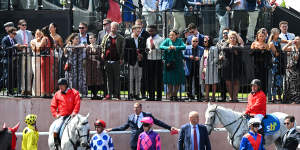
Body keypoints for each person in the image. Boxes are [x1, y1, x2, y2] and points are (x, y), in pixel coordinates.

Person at [106, 102, 177, 150]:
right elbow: (123, 127)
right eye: (134, 108)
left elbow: (158, 122)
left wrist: (169, 128)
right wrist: (112, 129)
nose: (135, 109)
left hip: (145, 141)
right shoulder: (130, 117)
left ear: (141, 108)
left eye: (137, 107)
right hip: (134, 142)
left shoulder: (147, 115)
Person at [50, 78, 81, 149]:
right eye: (59, 85)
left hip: (72, 116)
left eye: (62, 85)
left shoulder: (75, 93)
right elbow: (53, 106)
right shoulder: (57, 94)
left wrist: (74, 113)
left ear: (66, 85)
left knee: (81, 127)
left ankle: (82, 143)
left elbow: (77, 104)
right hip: (62, 116)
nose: (60, 87)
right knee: (56, 129)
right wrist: (56, 114)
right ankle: (56, 144)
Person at [101, 22, 125, 100]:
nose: (113, 29)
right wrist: (102, 53)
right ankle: (109, 94)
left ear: (117, 28)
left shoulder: (121, 38)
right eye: (112, 27)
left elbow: (123, 49)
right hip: (108, 60)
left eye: (115, 27)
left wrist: (121, 58)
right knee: (109, 78)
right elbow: (102, 46)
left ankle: (117, 94)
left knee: (117, 78)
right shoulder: (106, 37)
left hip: (116, 60)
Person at [160, 29, 186, 101]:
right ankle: (170, 94)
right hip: (169, 63)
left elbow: (184, 46)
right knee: (170, 79)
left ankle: (175, 94)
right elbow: (161, 46)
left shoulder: (179, 40)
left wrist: (175, 47)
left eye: (172, 35)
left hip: (178, 63)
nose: (171, 36)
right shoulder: (167, 40)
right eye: (170, 35)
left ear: (176, 35)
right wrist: (168, 47)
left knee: (177, 79)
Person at [124, 24, 146, 100]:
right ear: (133, 30)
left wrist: (141, 55)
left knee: (138, 78)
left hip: (139, 62)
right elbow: (126, 51)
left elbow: (143, 49)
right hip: (131, 61)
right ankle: (130, 93)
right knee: (130, 78)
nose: (139, 31)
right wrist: (127, 61)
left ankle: (137, 93)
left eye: (140, 29)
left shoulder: (142, 39)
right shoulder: (128, 39)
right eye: (137, 29)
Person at [221, 31, 243, 102]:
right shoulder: (226, 44)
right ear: (229, 39)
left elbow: (240, 52)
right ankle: (231, 97)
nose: (232, 39)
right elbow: (223, 49)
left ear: (236, 38)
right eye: (231, 38)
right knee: (228, 82)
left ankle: (235, 96)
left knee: (236, 81)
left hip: (237, 65)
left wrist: (234, 48)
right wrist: (230, 48)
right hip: (227, 65)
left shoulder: (239, 45)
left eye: (234, 38)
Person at [15, 19, 33, 96]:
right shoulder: (16, 33)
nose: (24, 26)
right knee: (22, 72)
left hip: (29, 52)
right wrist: (21, 47)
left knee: (29, 72)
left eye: (25, 25)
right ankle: (22, 89)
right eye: (23, 25)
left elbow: (32, 42)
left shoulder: (29, 32)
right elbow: (16, 44)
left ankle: (28, 89)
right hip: (21, 53)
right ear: (19, 25)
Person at [146, 25, 164, 101]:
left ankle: (159, 96)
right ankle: (151, 96)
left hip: (158, 60)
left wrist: (156, 48)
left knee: (158, 79)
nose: (150, 32)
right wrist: (147, 50)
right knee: (150, 79)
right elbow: (148, 48)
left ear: (155, 31)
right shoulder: (148, 39)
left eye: (152, 31)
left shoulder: (160, 39)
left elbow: (162, 50)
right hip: (150, 59)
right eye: (149, 31)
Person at [250, 29, 271, 94]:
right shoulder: (254, 43)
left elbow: (269, 55)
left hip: (263, 65)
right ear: (257, 36)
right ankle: (255, 92)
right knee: (256, 79)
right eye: (260, 36)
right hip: (256, 64)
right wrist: (257, 49)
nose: (261, 37)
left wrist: (264, 50)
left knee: (263, 79)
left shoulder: (266, 44)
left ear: (265, 37)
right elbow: (250, 53)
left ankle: (263, 93)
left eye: (263, 36)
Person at [268, 28, 285, 103]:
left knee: (280, 80)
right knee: (274, 80)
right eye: (277, 33)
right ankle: (273, 97)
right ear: (274, 34)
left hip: (280, 63)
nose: (278, 34)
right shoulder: (271, 43)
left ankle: (279, 97)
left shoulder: (278, 40)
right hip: (275, 63)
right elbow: (276, 54)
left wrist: (289, 41)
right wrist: (283, 50)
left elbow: (284, 41)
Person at [1, 27, 20, 95]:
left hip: (13, 59)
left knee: (12, 75)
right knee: (8, 76)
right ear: (9, 33)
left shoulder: (13, 40)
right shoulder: (5, 39)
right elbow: (5, 49)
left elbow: (15, 49)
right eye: (13, 33)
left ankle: (11, 90)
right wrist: (14, 46)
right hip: (7, 59)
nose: (14, 35)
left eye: (15, 33)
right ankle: (8, 90)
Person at [183, 36, 204, 101]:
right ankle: (190, 96)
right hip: (189, 66)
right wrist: (189, 57)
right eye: (193, 41)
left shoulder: (201, 48)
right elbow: (183, 55)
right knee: (189, 83)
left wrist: (199, 58)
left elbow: (204, 56)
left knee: (197, 82)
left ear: (198, 42)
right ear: (191, 41)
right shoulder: (187, 47)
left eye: (196, 41)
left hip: (197, 66)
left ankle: (199, 96)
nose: (195, 42)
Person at [200, 36, 219, 102]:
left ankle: (213, 97)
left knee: (213, 82)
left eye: (206, 41)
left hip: (212, 68)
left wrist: (210, 64)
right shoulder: (204, 49)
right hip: (204, 68)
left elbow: (216, 58)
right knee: (206, 82)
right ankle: (206, 97)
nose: (204, 42)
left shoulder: (214, 48)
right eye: (204, 41)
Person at [97, 18, 112, 98]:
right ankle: (105, 93)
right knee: (104, 76)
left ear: (110, 24)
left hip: (113, 58)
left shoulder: (115, 32)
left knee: (112, 77)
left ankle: (114, 93)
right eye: (103, 24)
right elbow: (98, 45)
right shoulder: (100, 33)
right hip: (103, 59)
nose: (104, 26)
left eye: (106, 24)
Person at [282, 37, 300, 104]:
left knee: (296, 86)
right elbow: (283, 49)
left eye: (298, 39)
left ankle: (296, 100)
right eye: (295, 39)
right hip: (289, 68)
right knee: (288, 84)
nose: (296, 40)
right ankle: (289, 100)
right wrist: (289, 43)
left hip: (297, 69)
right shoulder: (291, 47)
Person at [86, 33, 104, 99]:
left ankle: (96, 94)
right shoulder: (88, 47)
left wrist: (96, 58)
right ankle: (93, 94)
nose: (90, 39)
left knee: (97, 80)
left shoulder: (99, 47)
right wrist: (95, 59)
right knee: (91, 80)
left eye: (92, 38)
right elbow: (87, 56)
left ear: (95, 39)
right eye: (89, 38)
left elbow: (100, 55)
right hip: (90, 65)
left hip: (97, 66)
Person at [39, 26, 55, 97]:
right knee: (49, 75)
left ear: (43, 32)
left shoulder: (44, 38)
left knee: (44, 76)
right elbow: (53, 47)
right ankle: (49, 92)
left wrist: (39, 40)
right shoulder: (50, 38)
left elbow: (40, 47)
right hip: (50, 57)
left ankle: (45, 92)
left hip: (45, 58)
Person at [216, 28, 230, 102]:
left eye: (226, 33)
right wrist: (218, 57)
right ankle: (223, 96)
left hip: (228, 64)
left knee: (228, 81)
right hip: (221, 64)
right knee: (221, 81)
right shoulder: (219, 42)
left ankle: (231, 96)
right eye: (224, 33)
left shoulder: (231, 42)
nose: (225, 34)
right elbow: (216, 51)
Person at [30, 29, 43, 96]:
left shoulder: (43, 40)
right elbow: (35, 49)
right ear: (35, 34)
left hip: (42, 59)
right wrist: (40, 44)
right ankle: (35, 93)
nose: (38, 35)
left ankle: (42, 92)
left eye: (40, 34)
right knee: (36, 75)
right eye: (37, 34)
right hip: (35, 59)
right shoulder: (32, 41)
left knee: (42, 76)